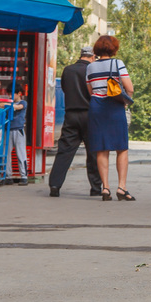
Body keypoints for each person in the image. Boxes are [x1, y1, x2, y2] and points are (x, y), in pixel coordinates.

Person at [85, 35, 135, 201]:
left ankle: (105, 188)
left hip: (96, 108)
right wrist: (125, 101)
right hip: (114, 107)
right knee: (122, 148)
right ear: (114, 48)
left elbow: (90, 91)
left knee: (102, 148)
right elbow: (129, 88)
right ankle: (121, 187)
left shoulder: (90, 67)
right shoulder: (117, 64)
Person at [48, 47, 103, 197]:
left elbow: (65, 89)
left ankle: (55, 184)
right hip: (90, 115)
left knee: (65, 150)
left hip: (71, 114)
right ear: (92, 57)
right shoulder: (93, 71)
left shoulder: (68, 70)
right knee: (93, 152)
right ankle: (96, 188)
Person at [0, 83, 29, 186]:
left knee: (21, 154)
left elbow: (19, 107)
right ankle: (8, 176)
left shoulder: (23, 103)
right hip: (8, 130)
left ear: (19, 93)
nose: (10, 96)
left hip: (18, 131)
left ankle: (24, 176)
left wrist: (6, 104)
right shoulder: (9, 103)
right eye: (9, 94)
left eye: (12, 94)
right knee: (6, 154)